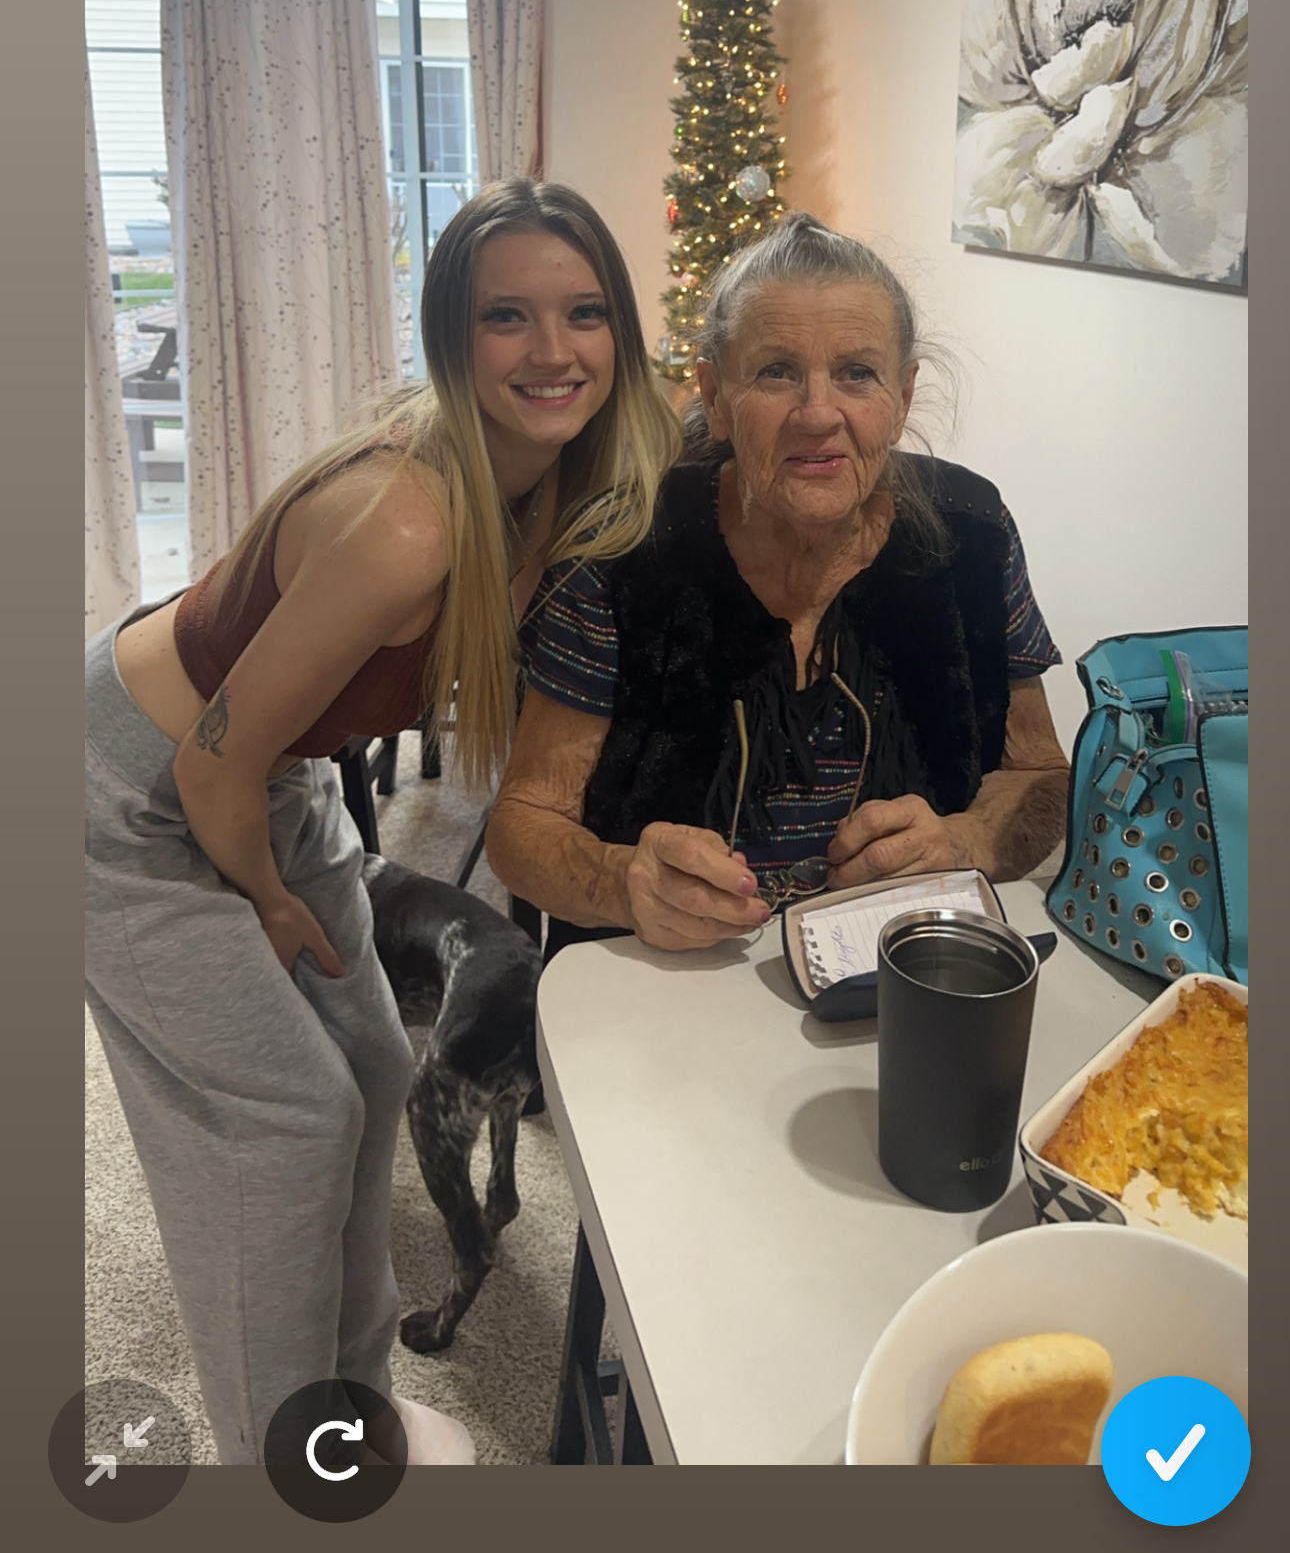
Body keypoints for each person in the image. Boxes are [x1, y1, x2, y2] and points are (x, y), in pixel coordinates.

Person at [85, 181, 679, 1465]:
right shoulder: (409, 517)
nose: (553, 350)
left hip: (271, 773)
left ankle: (343, 1411)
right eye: (505, 316)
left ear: (624, 335)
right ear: (451, 340)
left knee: (370, 1073)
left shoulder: (566, 481)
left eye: (584, 314)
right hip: (124, 791)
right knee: (283, 1124)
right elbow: (205, 775)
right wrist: (274, 899)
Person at [486, 214, 1070, 957]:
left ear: (902, 396)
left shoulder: (974, 535)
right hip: (670, 981)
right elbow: (521, 825)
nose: (818, 414)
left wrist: (970, 838)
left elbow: (1041, 772)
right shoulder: (623, 553)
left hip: (904, 972)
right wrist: (619, 878)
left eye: (857, 373)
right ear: (716, 396)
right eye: (775, 372)